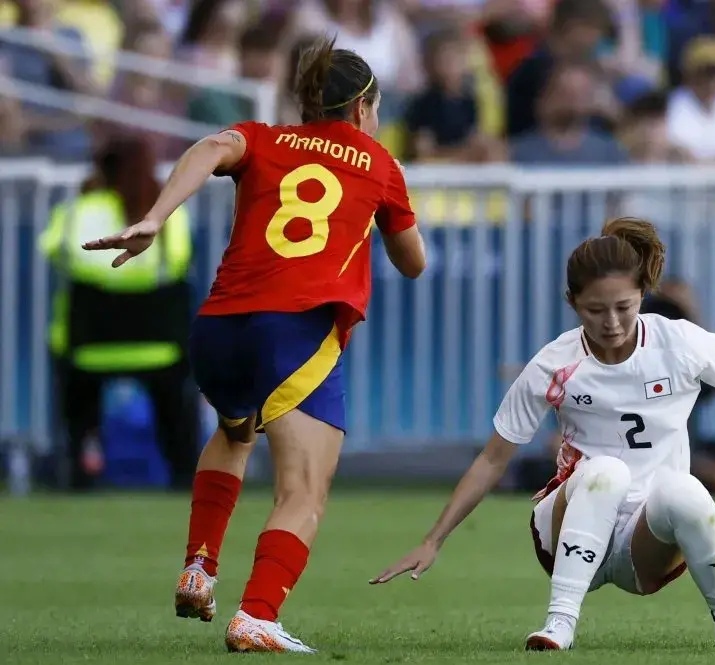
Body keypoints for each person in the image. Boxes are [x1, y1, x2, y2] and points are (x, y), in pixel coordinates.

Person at [371, 217, 715, 651]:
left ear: (642, 297)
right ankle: (559, 623)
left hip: (644, 546)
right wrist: (433, 540)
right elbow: (492, 459)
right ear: (572, 302)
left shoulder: (680, 343)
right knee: (606, 471)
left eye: (624, 307)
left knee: (684, 488)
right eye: (595, 310)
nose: (611, 322)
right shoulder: (554, 364)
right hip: (567, 528)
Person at [82, 37, 426, 653]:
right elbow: (414, 263)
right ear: (362, 108)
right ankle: (257, 615)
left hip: (218, 328)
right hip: (296, 330)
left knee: (236, 432)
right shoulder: (378, 162)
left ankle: (199, 567)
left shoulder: (261, 138)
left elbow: (211, 147)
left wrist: (155, 218)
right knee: (303, 490)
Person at [39, 133, 198, 491]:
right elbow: (180, 259)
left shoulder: (78, 211)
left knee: (75, 401)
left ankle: (78, 472)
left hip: (88, 348)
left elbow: (53, 250)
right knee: (177, 406)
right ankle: (185, 474)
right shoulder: (167, 214)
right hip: (160, 348)